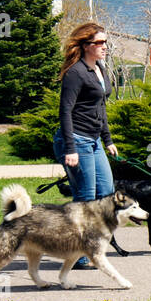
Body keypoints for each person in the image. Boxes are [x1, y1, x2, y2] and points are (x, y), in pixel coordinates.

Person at [53, 21, 119, 268]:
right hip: (76, 140)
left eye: (105, 42)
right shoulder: (75, 73)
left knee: (105, 194)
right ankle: (79, 254)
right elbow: (65, 111)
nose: (104, 47)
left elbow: (100, 106)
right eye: (99, 43)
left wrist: (108, 139)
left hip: (94, 141)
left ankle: (93, 247)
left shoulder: (99, 68)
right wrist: (69, 148)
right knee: (85, 197)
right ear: (85, 45)